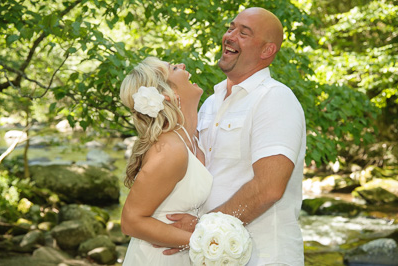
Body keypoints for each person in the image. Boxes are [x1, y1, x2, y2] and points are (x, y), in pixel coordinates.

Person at [166, 7, 306, 265]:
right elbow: (197, 174)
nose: (230, 36)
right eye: (231, 28)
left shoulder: (275, 98)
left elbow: (269, 188)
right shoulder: (210, 102)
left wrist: (203, 226)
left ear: (267, 51)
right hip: (207, 253)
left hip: (264, 256)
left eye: (244, 33)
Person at [119, 56, 213, 265]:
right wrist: (207, 243)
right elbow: (130, 222)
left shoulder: (193, 139)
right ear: (167, 94)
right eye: (173, 68)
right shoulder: (169, 150)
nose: (183, 65)